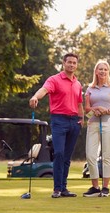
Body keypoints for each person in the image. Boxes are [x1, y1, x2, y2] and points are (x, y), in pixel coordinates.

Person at [29, 53, 84, 198]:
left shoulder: (78, 83)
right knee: (59, 153)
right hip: (59, 120)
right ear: (64, 63)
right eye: (69, 62)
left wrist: (82, 118)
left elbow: (79, 103)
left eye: (74, 63)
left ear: (76, 65)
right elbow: (44, 90)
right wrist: (35, 96)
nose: (72, 65)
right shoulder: (54, 80)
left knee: (67, 157)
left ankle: (64, 188)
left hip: (74, 122)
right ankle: (57, 189)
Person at [83, 60, 110, 197]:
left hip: (109, 123)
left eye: (105, 69)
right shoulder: (90, 88)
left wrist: (106, 110)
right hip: (93, 123)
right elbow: (86, 109)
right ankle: (95, 187)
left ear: (108, 71)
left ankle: (105, 188)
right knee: (90, 156)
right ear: (96, 72)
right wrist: (95, 109)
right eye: (100, 69)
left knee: (106, 156)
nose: (103, 71)